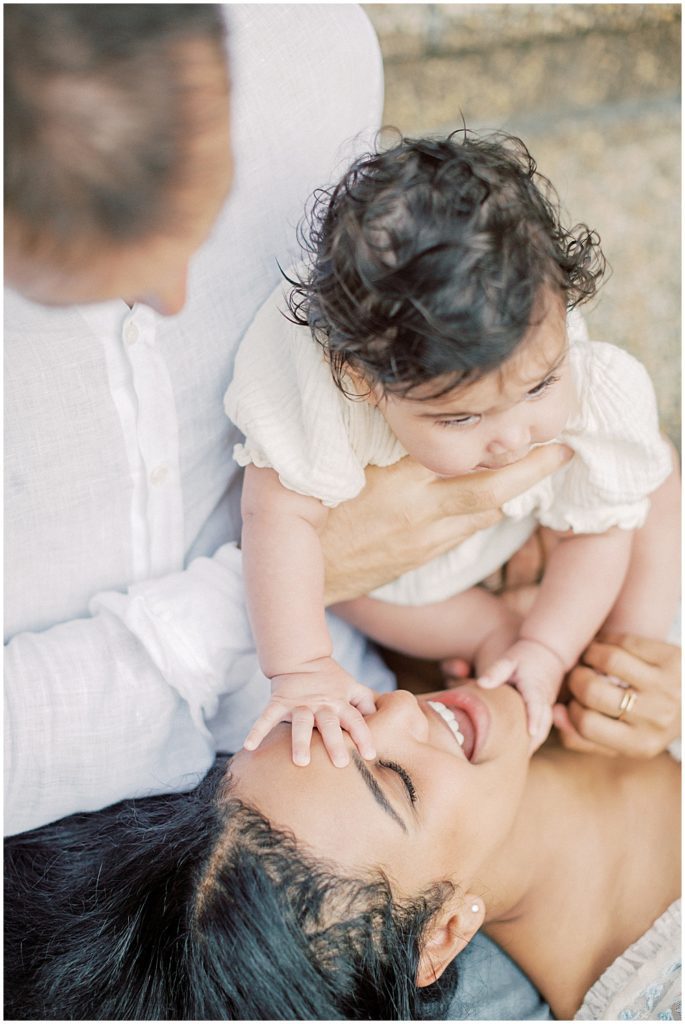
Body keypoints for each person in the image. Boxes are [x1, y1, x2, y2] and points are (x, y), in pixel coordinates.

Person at [4, 5, 572, 840]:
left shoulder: (304, 44)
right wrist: (305, 577)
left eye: (206, 216)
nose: (173, 301)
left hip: (378, 701)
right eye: (72, 277)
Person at [226, 132, 678, 762]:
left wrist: (548, 647)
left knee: (652, 486)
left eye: (541, 383)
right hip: (411, 582)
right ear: (364, 379)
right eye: (461, 418)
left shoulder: (578, 374)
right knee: (342, 585)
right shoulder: (324, 390)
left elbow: (597, 534)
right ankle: (488, 632)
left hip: (533, 530)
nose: (515, 438)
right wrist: (302, 669)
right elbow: (277, 519)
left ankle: (612, 664)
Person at [5, 658, 680, 1020]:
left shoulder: (410, 629)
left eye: (324, 726)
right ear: (441, 934)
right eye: (395, 782)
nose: (393, 710)